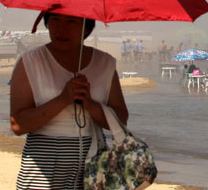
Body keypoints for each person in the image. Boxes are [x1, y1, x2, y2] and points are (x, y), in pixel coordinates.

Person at [10, 13, 128, 190]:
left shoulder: (105, 63)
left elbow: (121, 119)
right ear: (47, 23)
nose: (61, 28)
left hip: (93, 164)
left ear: (87, 28)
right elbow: (18, 125)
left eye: (71, 21)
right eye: (55, 20)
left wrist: (90, 105)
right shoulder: (30, 62)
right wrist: (63, 99)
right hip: (42, 167)